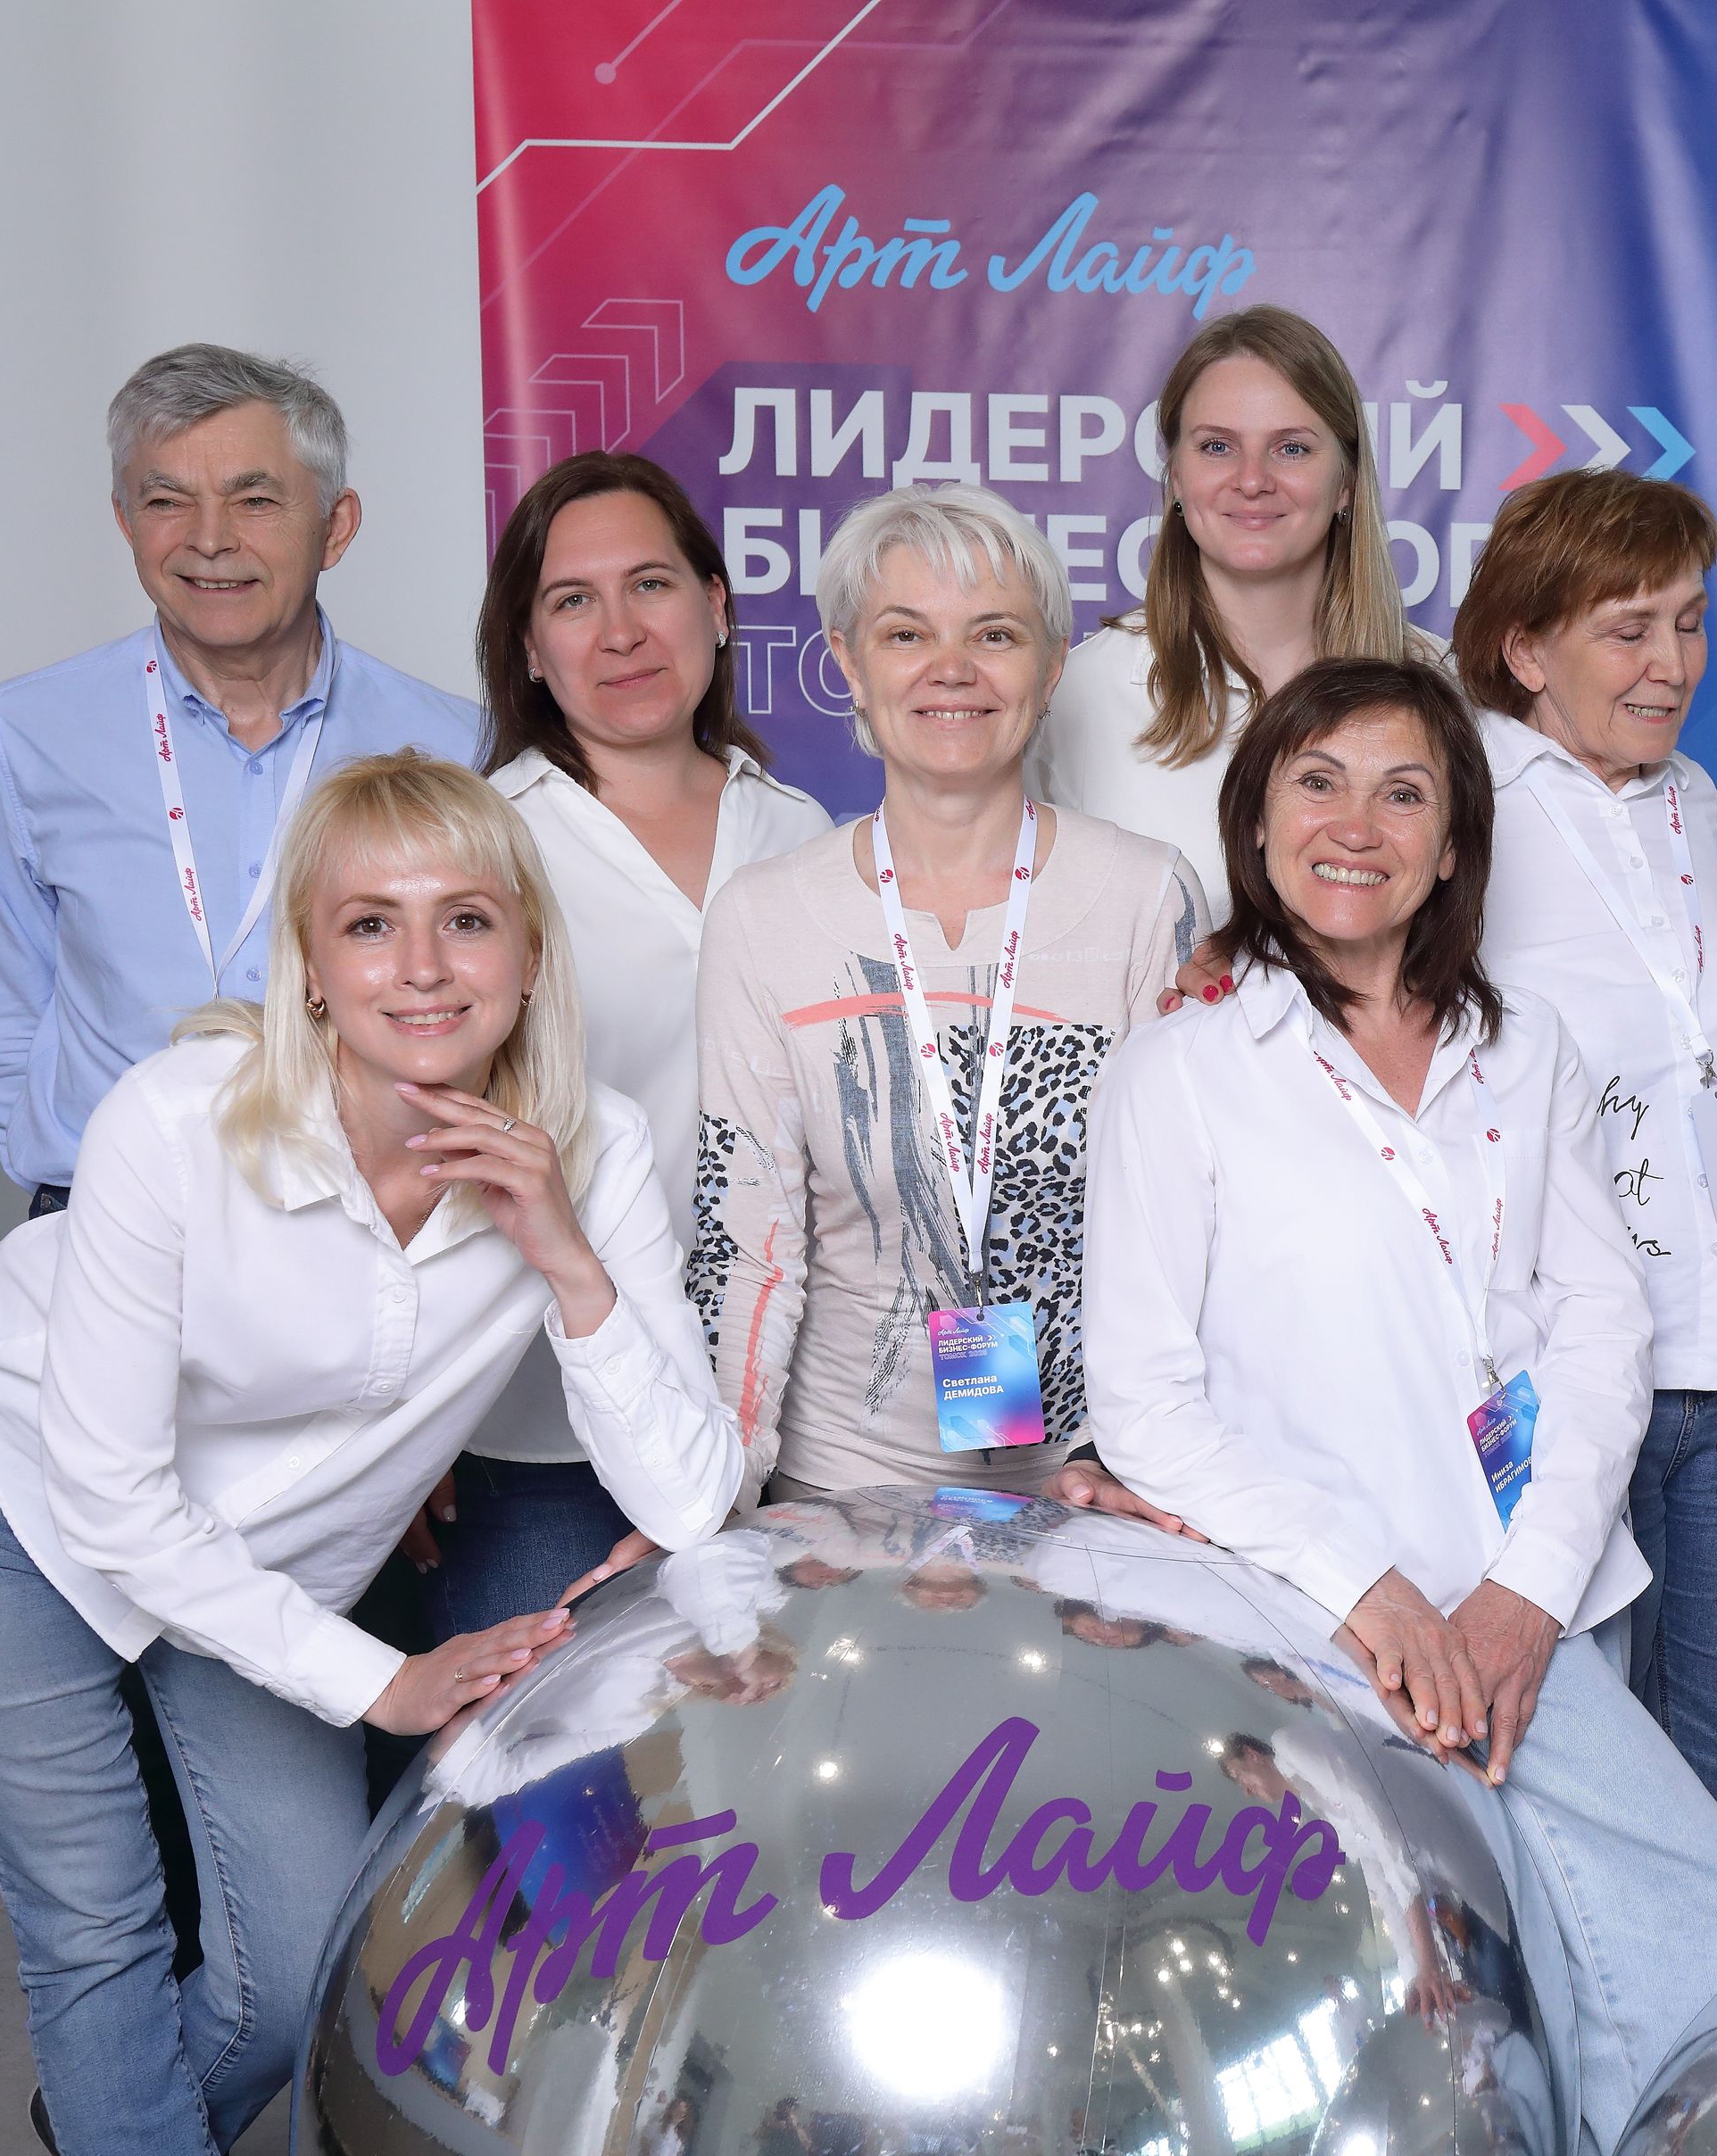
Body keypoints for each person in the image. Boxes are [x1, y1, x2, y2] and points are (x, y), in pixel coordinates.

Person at [0, 750, 742, 2156]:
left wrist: (565, 1254)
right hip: (0, 1495)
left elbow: (692, 1499)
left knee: (296, 1961)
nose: (422, 967)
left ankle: (127, 2144)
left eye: (466, 919)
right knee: (98, 1929)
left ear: (529, 951)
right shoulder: (175, 1123)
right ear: (312, 964)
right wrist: (379, 1682)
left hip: (254, 1567)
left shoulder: (595, 1147)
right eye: (370, 924)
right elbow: (112, 1497)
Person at [1083, 654, 1717, 2156]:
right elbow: (1144, 1402)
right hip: (1302, 1625)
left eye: (1404, 789)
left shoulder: (1515, 1047)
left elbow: (1601, 1328)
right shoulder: (1182, 1067)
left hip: (1517, 1605)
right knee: (1456, 1993)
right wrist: (1371, 1593)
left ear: (1456, 839)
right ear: (1255, 820)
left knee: (1686, 1917)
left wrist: (1521, 1595)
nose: (1358, 823)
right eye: (1316, 781)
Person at [1453, 469, 1717, 1886]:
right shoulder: (1459, 799)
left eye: (1690, 621)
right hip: (1567, 1386)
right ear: (1527, 647)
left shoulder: (1691, 800)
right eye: (1627, 628)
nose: (1671, 663)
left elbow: (1710, 1027)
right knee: (1565, 1808)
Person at [696, 484, 1198, 1505]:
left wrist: (1128, 1465)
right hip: (838, 1494)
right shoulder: (763, 916)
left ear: (1051, 668)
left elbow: (1189, 1227)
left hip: (1095, 1486)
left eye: (995, 634)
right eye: (906, 634)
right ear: (847, 661)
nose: (952, 669)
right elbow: (746, 1245)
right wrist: (713, 1503)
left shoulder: (1148, 896)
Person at [432, 452, 832, 1637]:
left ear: (716, 605)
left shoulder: (802, 833)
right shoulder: (484, 847)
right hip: (541, 1425)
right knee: (557, 1747)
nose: (621, 632)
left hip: (778, 1408)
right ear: (527, 650)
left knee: (764, 1738)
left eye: (651, 585)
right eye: (573, 600)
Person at [0, 344, 483, 1208]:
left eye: (254, 500)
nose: (208, 540)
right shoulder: (21, 738)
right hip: (105, 1211)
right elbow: (5, 1010)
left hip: (368, 1210)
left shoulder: (456, 746)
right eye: (166, 501)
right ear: (126, 521)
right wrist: (64, 1181)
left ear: (336, 527)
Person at [1033, 305, 1431, 924]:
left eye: (1291, 448)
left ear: (1347, 482)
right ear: (1174, 477)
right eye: (1217, 447)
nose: (1251, 481)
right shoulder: (1077, 694)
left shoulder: (1445, 688)